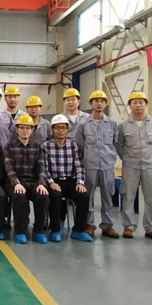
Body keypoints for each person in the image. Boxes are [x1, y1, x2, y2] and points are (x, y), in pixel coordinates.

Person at [117, 91, 152, 240]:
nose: (138, 105)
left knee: (151, 198)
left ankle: (151, 227)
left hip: (150, 166)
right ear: (130, 105)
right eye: (135, 103)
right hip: (130, 166)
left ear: (146, 104)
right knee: (128, 196)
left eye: (141, 102)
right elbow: (119, 146)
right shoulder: (123, 125)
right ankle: (128, 227)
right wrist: (127, 159)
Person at [74, 90, 119, 238]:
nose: (99, 103)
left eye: (102, 101)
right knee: (89, 196)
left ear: (105, 103)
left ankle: (107, 225)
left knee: (108, 196)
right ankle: (89, 224)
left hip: (107, 166)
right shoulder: (82, 124)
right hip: (90, 166)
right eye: (96, 101)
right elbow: (80, 146)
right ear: (91, 103)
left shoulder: (112, 124)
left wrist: (110, 159)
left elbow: (116, 143)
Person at [42, 115, 92, 243]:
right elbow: (43, 168)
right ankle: (55, 230)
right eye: (57, 128)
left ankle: (78, 230)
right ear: (52, 130)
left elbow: (79, 166)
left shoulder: (73, 146)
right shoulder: (46, 146)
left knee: (84, 195)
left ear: (67, 129)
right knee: (56, 196)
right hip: (53, 181)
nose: (60, 130)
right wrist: (51, 182)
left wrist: (80, 182)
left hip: (70, 181)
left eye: (63, 128)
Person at [3, 114, 49, 244]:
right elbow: (9, 168)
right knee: (19, 196)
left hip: (33, 182)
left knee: (43, 196)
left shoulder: (38, 147)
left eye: (28, 128)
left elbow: (42, 167)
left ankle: (38, 230)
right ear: (16, 129)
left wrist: (41, 184)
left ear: (32, 130)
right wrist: (16, 183)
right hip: (15, 182)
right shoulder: (9, 146)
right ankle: (19, 231)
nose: (25, 130)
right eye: (22, 128)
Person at [59, 87, 89, 228]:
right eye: (67, 100)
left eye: (73, 99)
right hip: (62, 161)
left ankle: (85, 223)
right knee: (61, 189)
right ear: (64, 102)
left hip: (84, 161)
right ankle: (60, 218)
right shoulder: (59, 119)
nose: (70, 102)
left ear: (79, 101)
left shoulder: (88, 119)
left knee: (83, 191)